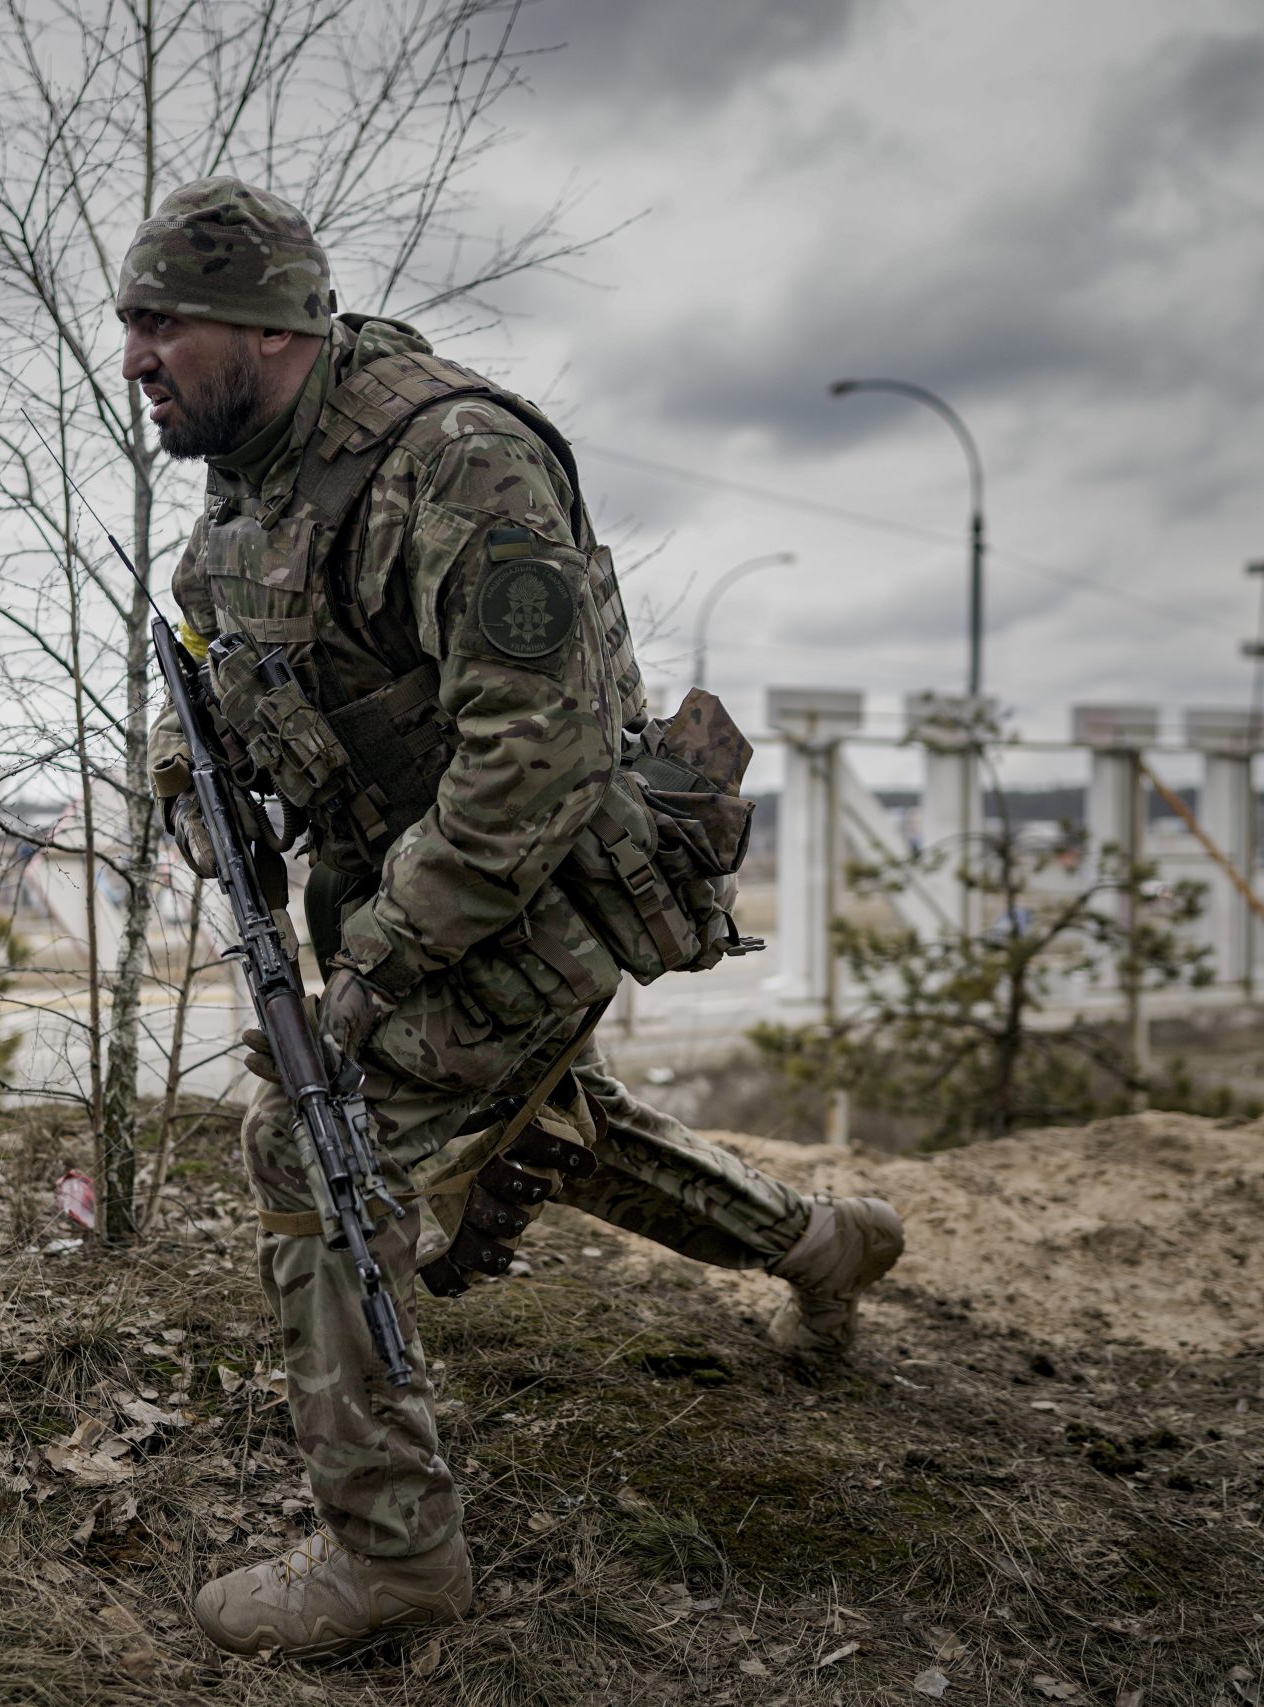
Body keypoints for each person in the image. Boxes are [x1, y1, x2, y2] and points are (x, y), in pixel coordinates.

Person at [120, 178, 905, 1660]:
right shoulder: (250, 470)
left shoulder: (455, 463)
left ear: (272, 324)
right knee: (548, 1125)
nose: (136, 357)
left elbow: (531, 767)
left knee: (310, 1137)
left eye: (163, 322)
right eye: (130, 323)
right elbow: (224, 655)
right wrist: (182, 778)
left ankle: (392, 1556)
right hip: (418, 875)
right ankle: (820, 1246)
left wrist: (369, 966)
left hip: (536, 880)